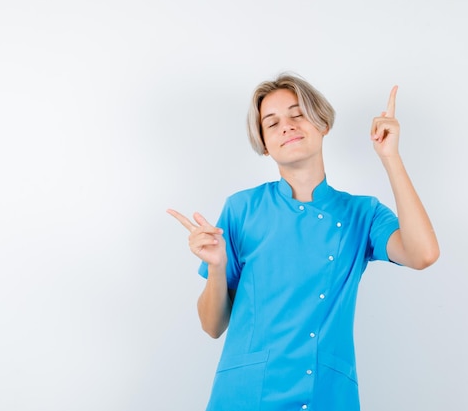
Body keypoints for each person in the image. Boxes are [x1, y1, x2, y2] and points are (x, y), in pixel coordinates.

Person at [167, 73, 439, 411]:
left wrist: (390, 157)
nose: (287, 126)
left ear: (322, 122)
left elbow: (423, 253)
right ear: (264, 145)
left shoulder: (362, 213)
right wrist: (217, 267)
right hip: (246, 396)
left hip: (325, 394)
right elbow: (212, 326)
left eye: (298, 114)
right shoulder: (242, 209)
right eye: (272, 122)